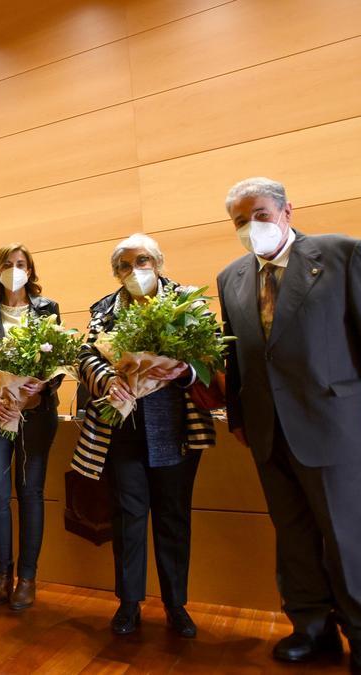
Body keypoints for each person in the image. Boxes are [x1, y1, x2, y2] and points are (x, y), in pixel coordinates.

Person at [218, 177, 361, 675]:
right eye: (240, 220)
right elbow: (236, 352)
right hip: (267, 428)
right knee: (294, 536)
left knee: (351, 535)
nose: (250, 227)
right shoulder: (231, 277)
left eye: (259, 214)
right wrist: (238, 416)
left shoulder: (343, 254)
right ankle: (311, 627)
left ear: (286, 211)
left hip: (336, 422)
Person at [72, 233, 215, 638]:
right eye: (126, 265)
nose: (135, 271)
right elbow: (85, 355)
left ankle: (176, 605)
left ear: (158, 263)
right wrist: (104, 380)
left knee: (173, 518)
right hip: (124, 430)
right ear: (116, 272)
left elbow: (210, 355)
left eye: (143, 261)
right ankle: (129, 603)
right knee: (128, 519)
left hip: (176, 428)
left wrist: (182, 370)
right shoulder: (103, 310)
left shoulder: (187, 301)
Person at [0, 244, 61, 610]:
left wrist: (45, 384)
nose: (14, 269)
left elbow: (60, 357)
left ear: (31, 271)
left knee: (31, 493)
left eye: (21, 264)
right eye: (8, 263)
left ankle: (28, 577)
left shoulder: (47, 309)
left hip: (36, 414)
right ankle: (3, 575)